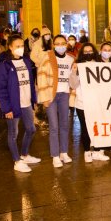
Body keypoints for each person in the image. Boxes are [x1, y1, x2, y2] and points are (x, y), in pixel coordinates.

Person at [0, 35, 41, 173]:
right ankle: (17, 161)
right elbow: (0, 88)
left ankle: (24, 155)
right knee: (13, 133)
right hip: (13, 105)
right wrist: (6, 108)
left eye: (22, 46)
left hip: (26, 103)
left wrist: (34, 99)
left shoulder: (26, 62)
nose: (21, 48)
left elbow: (30, 83)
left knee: (31, 129)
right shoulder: (4, 65)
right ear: (10, 47)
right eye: (17, 46)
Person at [31, 34, 75, 167]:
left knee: (64, 124)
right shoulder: (48, 57)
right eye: (57, 43)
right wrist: (44, 97)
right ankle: (55, 155)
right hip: (51, 95)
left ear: (67, 44)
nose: (60, 46)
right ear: (53, 45)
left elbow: (73, 78)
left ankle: (64, 152)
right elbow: (41, 75)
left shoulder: (71, 59)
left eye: (63, 43)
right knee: (54, 126)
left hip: (65, 95)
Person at [70, 43, 110, 162]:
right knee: (86, 128)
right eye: (86, 51)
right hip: (82, 103)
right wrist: (74, 72)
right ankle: (87, 152)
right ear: (82, 53)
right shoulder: (77, 66)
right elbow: (73, 85)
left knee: (99, 127)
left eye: (90, 51)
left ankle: (98, 151)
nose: (88, 53)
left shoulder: (100, 65)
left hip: (98, 103)